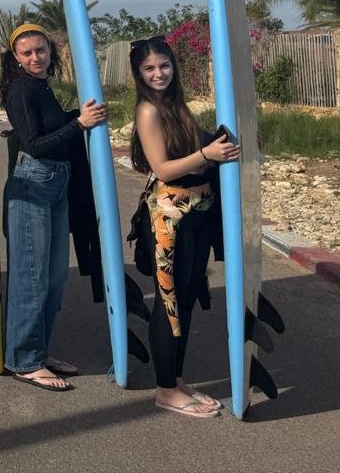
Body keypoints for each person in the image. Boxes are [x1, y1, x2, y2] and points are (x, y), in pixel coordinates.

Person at [130, 36, 239, 418]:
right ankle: (164, 390)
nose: (158, 73)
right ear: (138, 74)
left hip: (196, 213)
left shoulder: (174, 105)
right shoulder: (148, 111)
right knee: (168, 303)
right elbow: (161, 168)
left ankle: (176, 380)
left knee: (188, 298)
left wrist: (219, 145)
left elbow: (192, 150)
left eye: (164, 66)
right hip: (169, 220)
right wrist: (206, 154)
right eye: (149, 69)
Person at [1, 24, 107, 391]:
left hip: (56, 181)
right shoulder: (20, 90)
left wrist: (77, 115)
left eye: (40, 50)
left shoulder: (42, 87)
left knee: (55, 276)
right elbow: (34, 143)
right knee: (31, 276)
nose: (35, 57)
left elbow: (54, 127)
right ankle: (24, 359)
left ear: (51, 51)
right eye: (27, 52)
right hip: (33, 182)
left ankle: (39, 350)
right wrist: (78, 123)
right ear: (15, 57)